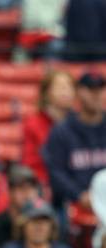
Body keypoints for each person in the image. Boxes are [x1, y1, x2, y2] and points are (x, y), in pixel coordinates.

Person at [43, 72, 106, 211]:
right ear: (79, 92)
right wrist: (78, 195)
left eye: (100, 89)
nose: (96, 95)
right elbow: (56, 173)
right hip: (73, 204)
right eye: (91, 90)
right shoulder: (62, 131)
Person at [21, 71, 75, 190]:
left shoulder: (79, 122)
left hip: (75, 186)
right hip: (45, 187)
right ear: (46, 93)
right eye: (60, 87)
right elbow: (30, 163)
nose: (66, 92)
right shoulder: (33, 123)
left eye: (69, 87)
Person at [0, 165, 41, 248]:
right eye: (22, 188)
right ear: (10, 191)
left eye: (32, 187)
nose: (28, 193)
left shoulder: (43, 224)